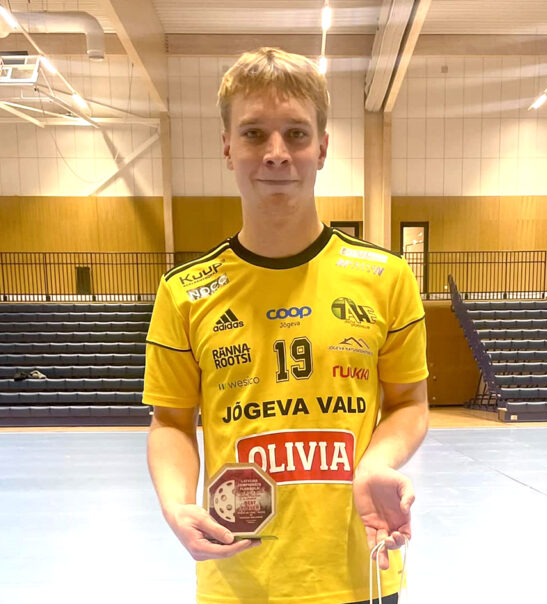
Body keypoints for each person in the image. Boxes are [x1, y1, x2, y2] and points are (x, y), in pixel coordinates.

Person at [144, 47, 429, 604]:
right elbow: (171, 422)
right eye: (254, 133)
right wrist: (176, 503)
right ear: (227, 146)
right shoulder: (184, 292)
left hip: (360, 569)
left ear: (322, 147)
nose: (276, 153)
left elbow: (409, 404)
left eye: (296, 134)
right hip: (238, 575)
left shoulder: (386, 277)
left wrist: (377, 461)